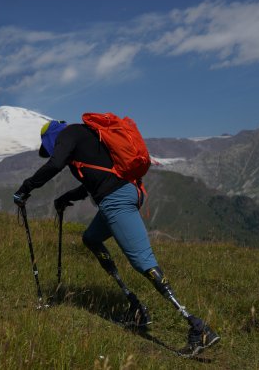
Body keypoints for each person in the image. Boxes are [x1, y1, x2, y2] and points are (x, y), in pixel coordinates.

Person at [13, 119, 220, 357]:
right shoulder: (86, 137)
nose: (51, 150)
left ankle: (198, 327)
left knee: (143, 262)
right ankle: (136, 308)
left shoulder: (67, 134)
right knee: (91, 238)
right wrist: (64, 198)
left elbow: (54, 164)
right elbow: (94, 181)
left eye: (48, 147)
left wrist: (25, 188)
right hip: (123, 193)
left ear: (50, 138)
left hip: (116, 201)